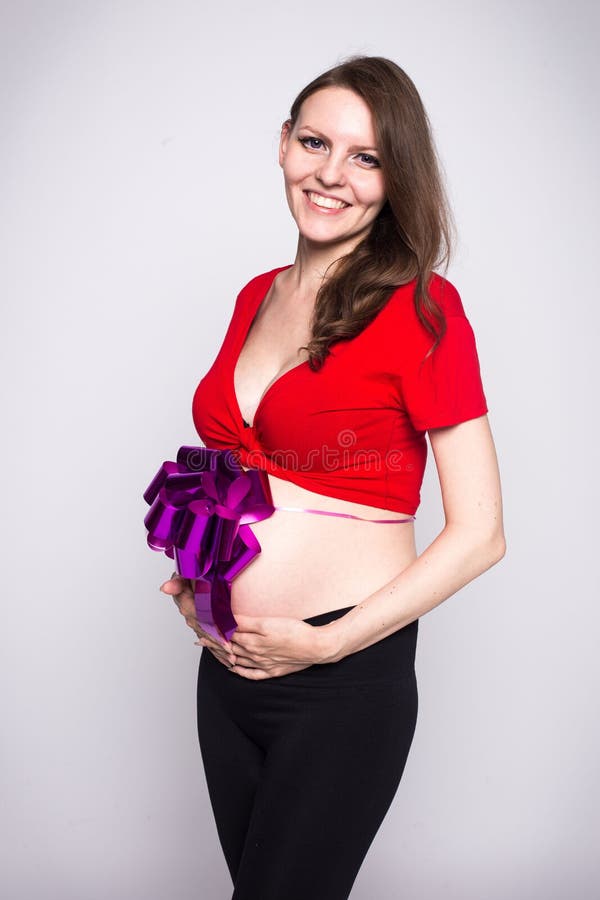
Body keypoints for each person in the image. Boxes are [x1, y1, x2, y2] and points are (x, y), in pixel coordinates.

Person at [159, 55, 506, 900]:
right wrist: (197, 576)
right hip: (229, 671)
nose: (331, 174)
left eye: (367, 157)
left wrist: (326, 641)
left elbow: (481, 535)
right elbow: (234, 464)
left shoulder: (423, 308)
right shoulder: (255, 295)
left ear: (396, 179)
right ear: (283, 144)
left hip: (342, 679)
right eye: (315, 142)